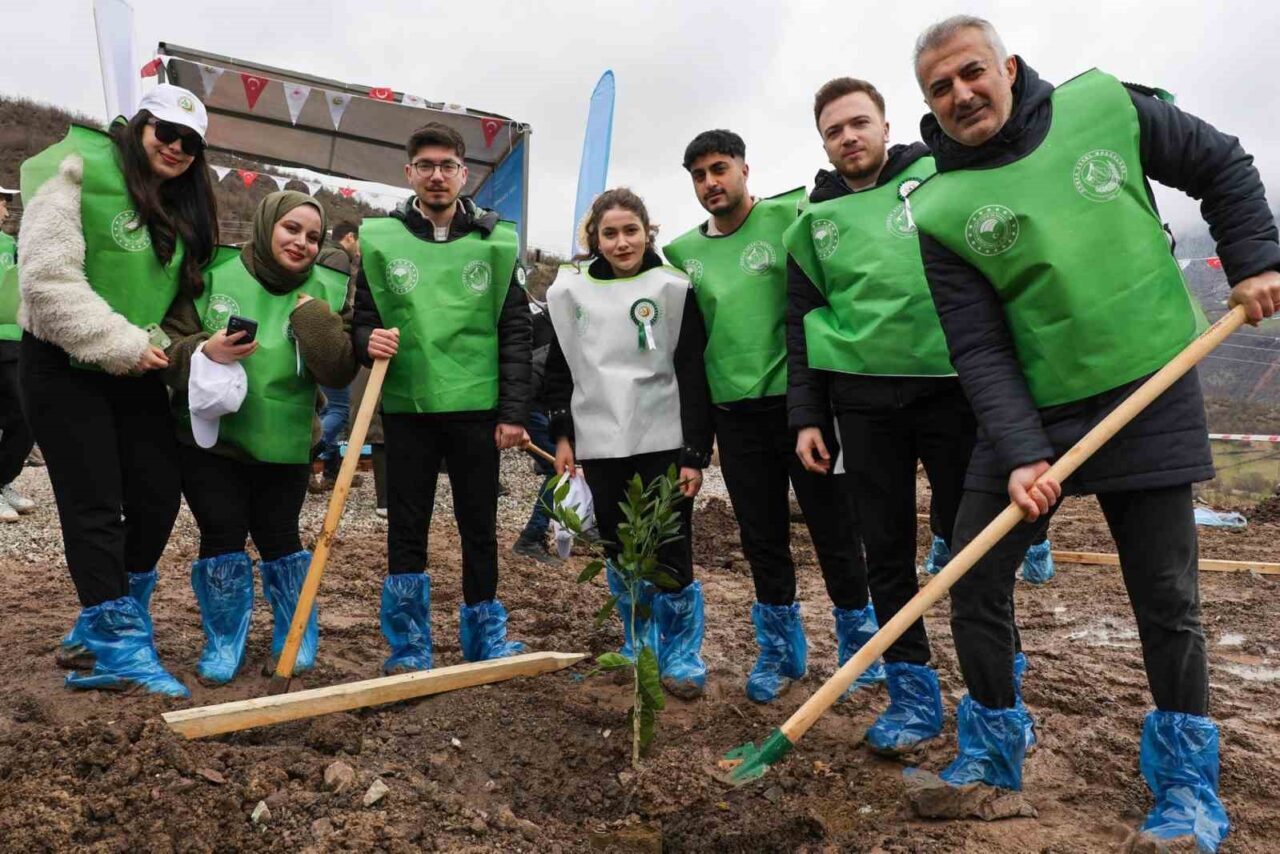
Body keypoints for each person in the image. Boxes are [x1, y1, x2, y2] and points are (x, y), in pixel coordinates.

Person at [906, 16, 1280, 850]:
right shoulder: (936, 207)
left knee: (1166, 599)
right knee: (971, 577)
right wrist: (1021, 451)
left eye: (972, 73)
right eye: (940, 88)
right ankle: (995, 757)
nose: (962, 94)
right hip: (1033, 407)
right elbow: (978, 342)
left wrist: (1253, 256)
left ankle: (1185, 787)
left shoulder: (1104, 106)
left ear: (1006, 66)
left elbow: (1221, 162)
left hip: (1147, 379)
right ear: (927, 103)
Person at [785, 79, 982, 753]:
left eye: (858, 123)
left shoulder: (935, 176)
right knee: (887, 554)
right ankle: (912, 696)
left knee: (972, 546)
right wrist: (808, 415)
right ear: (824, 142)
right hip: (864, 407)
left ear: (885, 124)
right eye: (835, 130)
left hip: (952, 391)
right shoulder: (813, 222)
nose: (849, 137)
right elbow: (801, 321)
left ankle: (994, 698)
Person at [663, 130, 879, 705]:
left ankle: (862, 650)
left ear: (744, 169)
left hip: (803, 409)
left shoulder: (791, 216)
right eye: (699, 175)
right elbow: (691, 351)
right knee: (762, 537)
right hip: (736, 418)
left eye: (719, 169)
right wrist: (696, 440)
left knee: (836, 529)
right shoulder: (683, 253)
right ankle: (781, 652)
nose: (711, 182)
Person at [18, 84, 220, 697]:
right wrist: (122, 343)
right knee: (95, 503)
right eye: (165, 132)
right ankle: (116, 641)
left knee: (158, 493)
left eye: (191, 142)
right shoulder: (78, 173)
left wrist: (199, 349)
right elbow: (47, 283)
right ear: (139, 127)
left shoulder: (184, 209)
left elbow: (179, 304)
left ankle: (100, 617)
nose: (177, 147)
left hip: (135, 369)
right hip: (65, 364)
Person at [351, 122, 532, 673]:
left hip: (477, 412)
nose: (436, 175)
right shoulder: (381, 241)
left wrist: (514, 412)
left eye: (447, 165)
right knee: (408, 525)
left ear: (463, 173)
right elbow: (361, 322)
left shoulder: (496, 243)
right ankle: (409, 644)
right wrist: (366, 342)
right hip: (409, 411)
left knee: (480, 524)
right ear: (409, 173)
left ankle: (484, 634)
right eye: (425, 165)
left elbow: (516, 330)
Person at [162, 191, 356, 684]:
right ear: (267, 224)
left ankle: (295, 635)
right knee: (221, 530)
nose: (302, 242)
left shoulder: (328, 289)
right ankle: (224, 641)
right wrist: (204, 348)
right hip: (212, 440)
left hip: (286, 441)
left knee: (279, 536)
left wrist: (312, 316)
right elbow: (166, 340)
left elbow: (337, 371)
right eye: (292, 229)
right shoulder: (213, 273)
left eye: (313, 236)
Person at [545, 188, 714, 698]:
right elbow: (558, 370)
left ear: (648, 231)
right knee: (618, 545)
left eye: (631, 231)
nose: (621, 243)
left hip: (662, 439)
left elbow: (692, 372)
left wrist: (695, 452)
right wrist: (562, 434)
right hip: (599, 441)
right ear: (595, 238)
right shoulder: (569, 294)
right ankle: (640, 640)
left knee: (670, 542)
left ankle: (681, 653)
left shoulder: (672, 289)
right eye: (610, 233)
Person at [512, 282, 562, 563]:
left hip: (537, 404)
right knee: (560, 469)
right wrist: (518, 422)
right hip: (527, 404)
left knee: (560, 465)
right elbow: (529, 383)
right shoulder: (555, 344)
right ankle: (531, 537)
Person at [312, 221, 361, 492]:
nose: (359, 251)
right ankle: (308, 453)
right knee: (340, 409)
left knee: (326, 407)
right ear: (350, 237)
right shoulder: (339, 256)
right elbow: (332, 298)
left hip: (313, 334)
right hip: (330, 339)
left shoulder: (321, 252)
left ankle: (331, 472)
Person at [0, 187, 36, 522]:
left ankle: (3, 479)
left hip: (11, 337)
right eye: (2, 203)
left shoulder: (11, 245)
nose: (6, 211)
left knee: (23, 416)